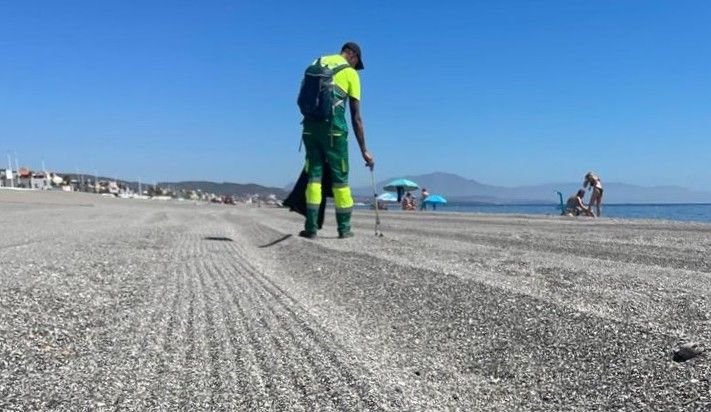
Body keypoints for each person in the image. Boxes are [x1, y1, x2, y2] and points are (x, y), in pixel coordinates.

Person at [298, 42, 374, 239]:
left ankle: (311, 228)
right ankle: (344, 228)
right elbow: (356, 117)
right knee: (340, 180)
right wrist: (364, 150)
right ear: (354, 57)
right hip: (334, 132)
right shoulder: (351, 73)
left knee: (314, 177)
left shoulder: (318, 61)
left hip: (309, 128)